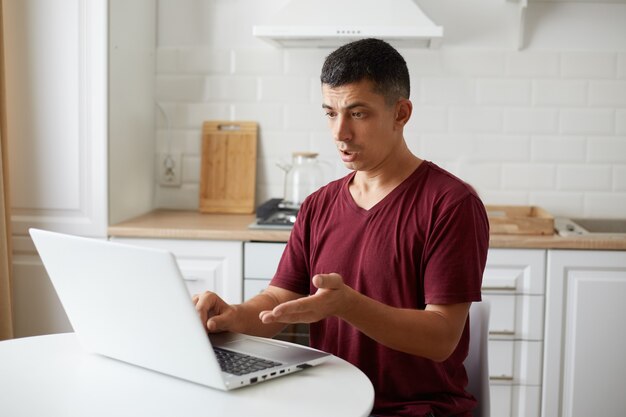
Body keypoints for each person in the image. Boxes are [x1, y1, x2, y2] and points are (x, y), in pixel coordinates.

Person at [193, 38, 490, 417]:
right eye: (330, 113)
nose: (340, 133)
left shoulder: (450, 204)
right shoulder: (318, 205)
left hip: (415, 409)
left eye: (358, 114)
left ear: (401, 113)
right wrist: (234, 316)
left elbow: (441, 336)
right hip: (332, 404)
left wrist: (348, 305)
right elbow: (278, 300)